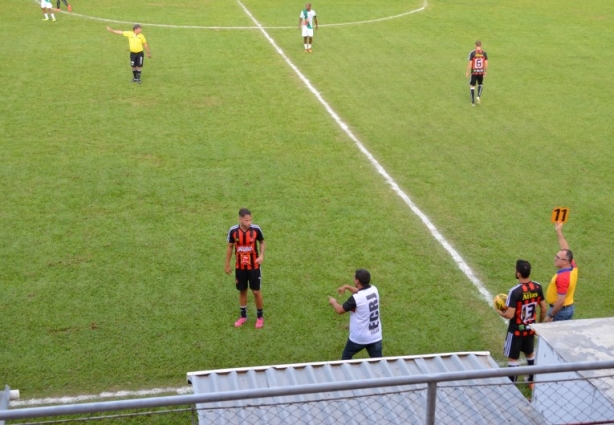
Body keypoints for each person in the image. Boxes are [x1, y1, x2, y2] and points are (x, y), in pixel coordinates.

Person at [498, 260, 547, 387]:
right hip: (530, 328)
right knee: (529, 353)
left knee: (513, 358)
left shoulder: (515, 292)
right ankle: (531, 380)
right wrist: (538, 325)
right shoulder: (537, 287)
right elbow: (543, 308)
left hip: (516, 331)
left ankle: (512, 385)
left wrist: (499, 311)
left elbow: (510, 315)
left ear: (518, 273)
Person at [225, 208, 266, 329]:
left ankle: (260, 317)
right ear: (240, 219)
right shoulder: (233, 231)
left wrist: (261, 255)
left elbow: (262, 242)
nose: (249, 222)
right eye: (246, 220)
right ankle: (243, 316)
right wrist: (227, 264)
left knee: (256, 291)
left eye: (250, 219)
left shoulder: (256, 229)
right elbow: (230, 247)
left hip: (254, 267)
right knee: (242, 291)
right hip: (240, 268)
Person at [328, 269, 382, 360]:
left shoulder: (356, 298)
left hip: (360, 338)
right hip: (375, 336)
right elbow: (360, 291)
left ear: (357, 281)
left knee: (346, 357)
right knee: (379, 363)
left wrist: (333, 302)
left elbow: (340, 310)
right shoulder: (374, 289)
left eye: (354, 278)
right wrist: (347, 287)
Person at [545, 222, 578, 322]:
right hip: (567, 308)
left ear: (565, 262)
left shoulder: (563, 277)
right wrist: (559, 231)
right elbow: (565, 248)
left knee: (551, 336)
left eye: (558, 258)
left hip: (559, 312)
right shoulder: (573, 267)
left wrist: (551, 316)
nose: (555, 258)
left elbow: (560, 300)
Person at [465, 40, 488, 106]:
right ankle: (478, 96)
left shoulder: (472, 53)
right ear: (481, 45)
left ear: (475, 45)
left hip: (474, 72)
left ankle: (473, 102)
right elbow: (486, 63)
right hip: (481, 72)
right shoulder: (484, 53)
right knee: (480, 84)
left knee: (472, 86)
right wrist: (485, 71)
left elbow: (470, 63)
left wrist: (467, 72)